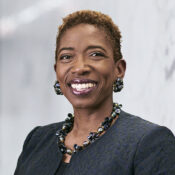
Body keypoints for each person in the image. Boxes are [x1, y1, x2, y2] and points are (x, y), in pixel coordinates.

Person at [14, 10, 175, 175]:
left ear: (118, 69)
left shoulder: (149, 142)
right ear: (57, 71)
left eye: (95, 54)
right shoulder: (37, 140)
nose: (79, 67)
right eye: (66, 56)